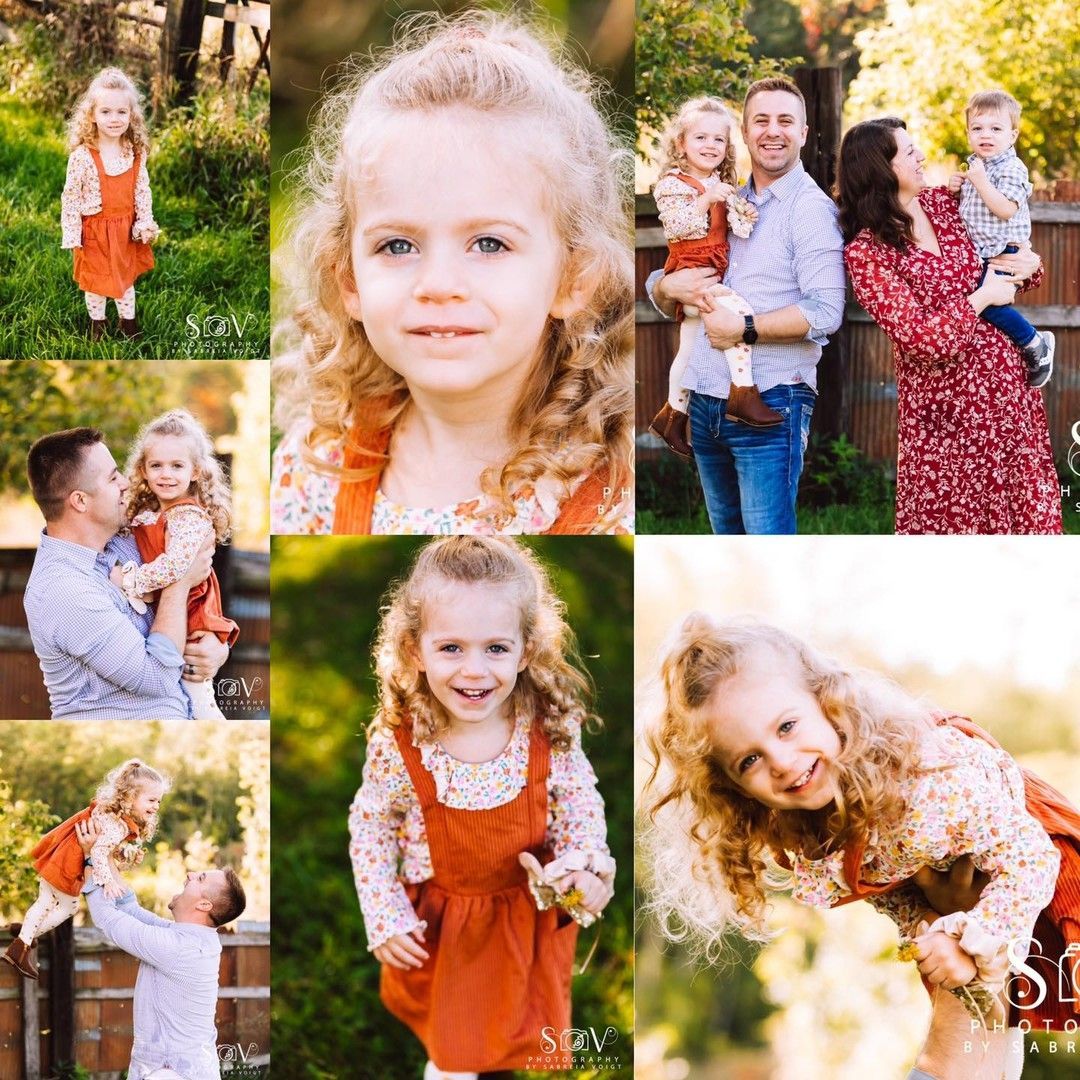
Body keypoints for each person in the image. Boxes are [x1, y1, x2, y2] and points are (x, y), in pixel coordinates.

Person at [642, 615, 1080, 1080]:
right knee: (977, 1037)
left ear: (827, 703)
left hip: (1037, 873)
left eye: (787, 727)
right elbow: (893, 890)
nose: (783, 763)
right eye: (749, 760)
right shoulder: (820, 824)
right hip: (974, 904)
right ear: (733, 788)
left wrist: (976, 933)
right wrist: (930, 926)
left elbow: (1032, 854)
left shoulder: (925, 784)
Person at [271, 11, 633, 536]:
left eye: (489, 243)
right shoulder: (314, 469)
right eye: (398, 245)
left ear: (574, 277)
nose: (438, 284)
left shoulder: (614, 500)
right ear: (348, 279)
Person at [348, 537, 615, 1079]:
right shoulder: (402, 745)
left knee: (512, 1013)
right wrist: (384, 912)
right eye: (451, 648)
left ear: (526, 650)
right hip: (444, 921)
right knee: (454, 1030)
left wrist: (583, 863)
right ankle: (451, 1065)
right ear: (415, 650)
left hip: (522, 910)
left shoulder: (549, 731)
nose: (475, 671)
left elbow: (579, 803)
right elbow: (372, 824)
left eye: (496, 648)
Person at [837, 118, 1062, 534]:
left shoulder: (946, 204)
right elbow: (922, 340)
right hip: (946, 420)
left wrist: (1030, 266)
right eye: (908, 151)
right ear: (880, 168)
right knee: (953, 538)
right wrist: (981, 299)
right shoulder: (867, 253)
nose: (921, 155)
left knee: (1023, 536)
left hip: (1008, 404)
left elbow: (1004, 263)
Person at [646, 77, 845, 534]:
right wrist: (666, 289)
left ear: (804, 132)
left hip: (773, 397)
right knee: (725, 542)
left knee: (765, 542)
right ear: (746, 129)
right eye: (761, 120)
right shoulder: (727, 196)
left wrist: (744, 328)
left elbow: (824, 311)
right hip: (705, 400)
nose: (772, 131)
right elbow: (676, 269)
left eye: (785, 121)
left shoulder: (809, 209)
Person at [23, 427, 230, 719]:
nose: (125, 483)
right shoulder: (63, 590)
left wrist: (216, 647)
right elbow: (156, 678)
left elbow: (200, 592)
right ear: (80, 501)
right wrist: (179, 583)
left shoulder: (127, 541)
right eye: (112, 477)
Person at [648, 96, 779, 458]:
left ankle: (672, 416)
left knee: (687, 352)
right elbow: (679, 225)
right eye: (701, 138)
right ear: (681, 144)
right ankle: (744, 393)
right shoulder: (673, 184)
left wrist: (743, 213)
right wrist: (707, 198)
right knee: (736, 314)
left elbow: (734, 228)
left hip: (710, 269)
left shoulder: (722, 182)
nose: (710, 146)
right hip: (691, 272)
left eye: (718, 140)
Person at [74, 817, 247, 1080]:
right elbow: (129, 908)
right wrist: (104, 855)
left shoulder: (181, 949)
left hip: (171, 1073)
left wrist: (90, 858)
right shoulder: (191, 939)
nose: (189, 874)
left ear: (204, 905)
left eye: (199, 878)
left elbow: (108, 918)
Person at [2, 759, 168, 980]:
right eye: (151, 800)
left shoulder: (112, 814)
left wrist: (121, 855)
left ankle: (25, 931)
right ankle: (20, 947)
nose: (156, 806)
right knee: (60, 906)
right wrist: (108, 881)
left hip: (61, 857)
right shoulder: (117, 825)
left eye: (159, 801)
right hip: (66, 864)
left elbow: (104, 849)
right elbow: (98, 852)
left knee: (48, 902)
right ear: (129, 797)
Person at [122, 410, 240, 720]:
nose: (166, 474)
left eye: (177, 466)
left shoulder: (189, 518)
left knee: (199, 703)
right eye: (156, 465)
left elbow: (175, 567)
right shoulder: (152, 515)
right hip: (171, 624)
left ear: (196, 472)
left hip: (193, 624)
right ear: (143, 470)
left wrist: (131, 581)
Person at [948, 90, 1054, 388]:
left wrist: (979, 183)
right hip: (983, 250)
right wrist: (959, 187)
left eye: (996, 129)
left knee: (989, 300)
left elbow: (1006, 209)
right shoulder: (977, 165)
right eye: (977, 128)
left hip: (1005, 250)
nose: (986, 135)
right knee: (980, 300)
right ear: (968, 133)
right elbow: (970, 211)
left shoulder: (1011, 167)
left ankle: (1034, 343)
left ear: (1012, 135)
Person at [61, 67, 159, 341]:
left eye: (121, 112)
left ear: (131, 115)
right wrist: (71, 233)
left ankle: (128, 324)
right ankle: (98, 324)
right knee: (96, 282)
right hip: (94, 232)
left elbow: (142, 190)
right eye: (106, 112)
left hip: (125, 231)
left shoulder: (134, 153)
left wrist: (144, 222)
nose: (114, 119)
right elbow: (70, 197)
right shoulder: (82, 156)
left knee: (125, 279)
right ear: (92, 114)